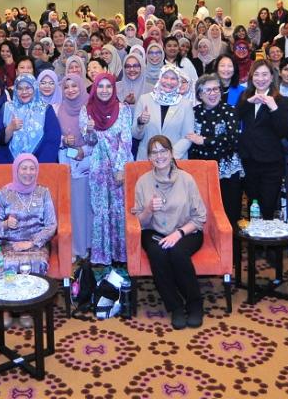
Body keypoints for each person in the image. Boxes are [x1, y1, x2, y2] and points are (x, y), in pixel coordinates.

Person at [132, 135, 208, 330]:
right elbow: (139, 222)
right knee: (157, 253)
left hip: (188, 230)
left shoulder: (186, 179)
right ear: (149, 157)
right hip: (155, 230)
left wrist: (179, 234)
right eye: (154, 152)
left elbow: (200, 217)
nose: (159, 156)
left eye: (163, 151)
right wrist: (149, 209)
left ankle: (194, 303)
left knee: (177, 252)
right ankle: (175, 306)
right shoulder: (142, 182)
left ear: (171, 153)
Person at [0, 153, 59, 328]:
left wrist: (32, 243)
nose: (28, 173)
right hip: (9, 243)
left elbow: (51, 225)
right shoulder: (3, 193)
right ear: (16, 170)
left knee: (36, 261)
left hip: (36, 243)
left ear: (37, 170)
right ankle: (6, 308)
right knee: (6, 263)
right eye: (24, 168)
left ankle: (28, 309)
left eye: (32, 168)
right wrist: (5, 224)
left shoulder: (44, 192)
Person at [81, 73, 134, 266]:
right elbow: (90, 142)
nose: (104, 90)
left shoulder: (123, 109)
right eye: (100, 86)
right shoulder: (86, 110)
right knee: (101, 210)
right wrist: (88, 130)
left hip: (120, 164)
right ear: (95, 88)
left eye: (108, 87)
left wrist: (120, 168)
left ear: (113, 89)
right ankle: (102, 255)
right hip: (98, 168)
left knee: (120, 209)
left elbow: (126, 140)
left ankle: (121, 254)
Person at [187, 74, 244, 226]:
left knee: (230, 214)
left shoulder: (229, 110)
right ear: (199, 94)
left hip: (227, 171)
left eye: (216, 89)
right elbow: (187, 138)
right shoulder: (192, 112)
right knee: (203, 213)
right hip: (200, 171)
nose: (213, 93)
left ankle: (232, 249)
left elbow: (233, 140)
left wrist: (204, 140)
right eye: (208, 90)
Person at [237, 60, 288, 219]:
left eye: (265, 74)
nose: (260, 78)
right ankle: (252, 242)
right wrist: (248, 103)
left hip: (271, 164)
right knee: (253, 206)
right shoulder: (245, 95)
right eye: (257, 74)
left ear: (272, 77)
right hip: (248, 161)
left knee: (267, 207)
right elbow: (234, 118)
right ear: (251, 76)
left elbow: (283, 131)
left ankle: (266, 243)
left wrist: (274, 108)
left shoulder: (281, 100)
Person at [56, 74, 93, 257]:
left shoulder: (90, 108)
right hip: (66, 161)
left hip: (86, 162)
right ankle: (73, 246)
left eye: (74, 86)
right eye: (66, 87)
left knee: (86, 206)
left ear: (81, 87)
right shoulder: (59, 109)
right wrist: (64, 139)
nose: (70, 90)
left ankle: (86, 246)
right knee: (71, 206)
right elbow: (53, 137)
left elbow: (97, 139)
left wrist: (82, 151)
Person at [133, 66, 195, 160]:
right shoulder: (144, 99)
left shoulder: (185, 104)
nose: (168, 82)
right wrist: (140, 122)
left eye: (173, 78)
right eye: (165, 77)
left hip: (175, 160)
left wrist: (168, 156)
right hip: (147, 159)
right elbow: (135, 135)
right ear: (159, 78)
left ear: (178, 81)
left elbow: (188, 136)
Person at [2, 74, 62, 163]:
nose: (24, 92)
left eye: (28, 88)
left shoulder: (46, 109)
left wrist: (37, 165)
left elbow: (52, 140)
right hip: (9, 164)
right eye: (20, 88)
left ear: (35, 88)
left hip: (41, 164)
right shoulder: (7, 107)